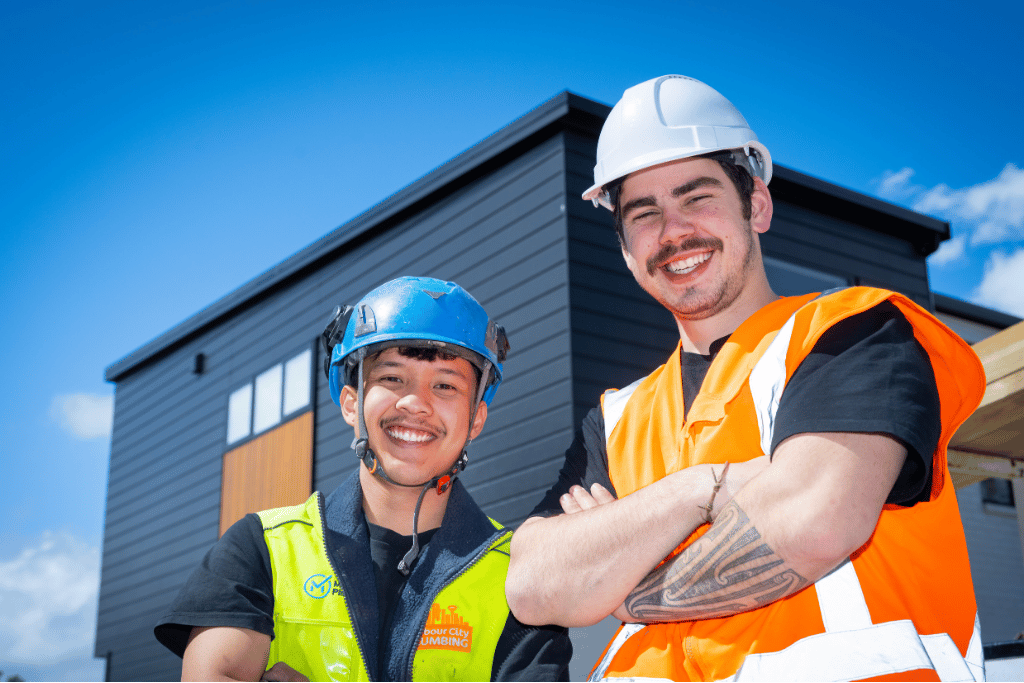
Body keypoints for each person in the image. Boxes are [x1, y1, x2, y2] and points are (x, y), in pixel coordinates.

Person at [505, 75, 987, 681]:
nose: (674, 230)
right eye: (644, 213)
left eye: (697, 197)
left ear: (756, 205)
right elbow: (532, 584)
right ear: (626, 249)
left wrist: (623, 587)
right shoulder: (617, 418)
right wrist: (700, 490)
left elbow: (812, 523)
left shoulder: (851, 332)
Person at [155, 276, 572, 681]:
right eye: (392, 378)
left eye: (445, 385)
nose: (416, 403)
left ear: (475, 418)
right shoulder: (261, 549)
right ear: (351, 403)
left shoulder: (518, 580)